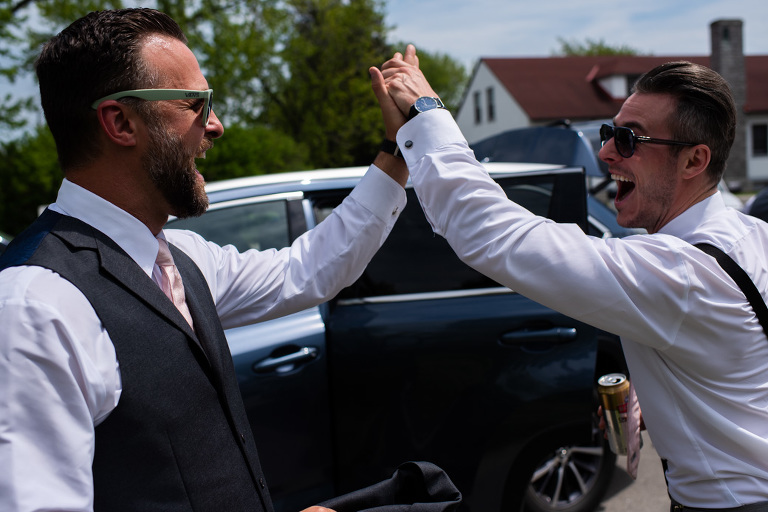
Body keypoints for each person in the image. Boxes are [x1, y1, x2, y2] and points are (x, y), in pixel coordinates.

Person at [0, 8, 407, 512]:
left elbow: (308, 270)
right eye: (196, 104)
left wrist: (398, 150)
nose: (216, 125)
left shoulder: (183, 259)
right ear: (120, 121)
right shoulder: (34, 305)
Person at [370, 46, 768, 510]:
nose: (604, 152)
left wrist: (426, 113)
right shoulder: (752, 234)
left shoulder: (680, 271)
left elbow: (495, 235)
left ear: (693, 161)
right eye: (608, 133)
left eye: (629, 139)